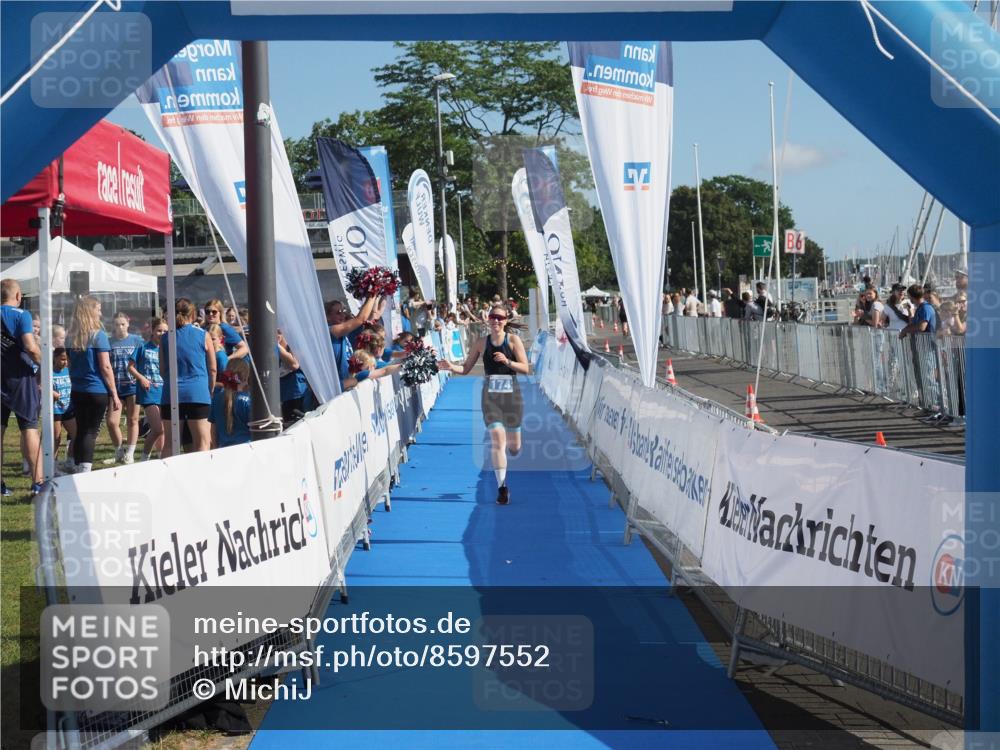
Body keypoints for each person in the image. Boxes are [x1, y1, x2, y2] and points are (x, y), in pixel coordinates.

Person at [437, 304, 529, 505]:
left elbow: (526, 369)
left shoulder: (513, 341)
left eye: (500, 317)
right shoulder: (481, 343)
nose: (496, 320)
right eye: (492, 317)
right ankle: (502, 487)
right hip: (490, 398)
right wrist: (450, 366)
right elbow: (466, 368)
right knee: (498, 440)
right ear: (487, 319)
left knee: (514, 447)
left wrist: (508, 362)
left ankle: (510, 457)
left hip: (512, 397)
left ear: (505, 320)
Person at [67, 296, 120, 473]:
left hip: (77, 389)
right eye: (98, 309)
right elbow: (105, 366)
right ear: (90, 311)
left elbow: (70, 362)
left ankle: (76, 464)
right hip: (96, 389)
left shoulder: (71, 336)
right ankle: (85, 469)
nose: (100, 313)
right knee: (91, 431)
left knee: (81, 429)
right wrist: (114, 392)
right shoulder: (99, 335)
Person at [160, 298, 216, 457]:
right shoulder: (203, 335)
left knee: (170, 444)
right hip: (197, 393)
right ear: (192, 314)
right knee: (202, 443)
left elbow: (162, 369)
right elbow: (212, 368)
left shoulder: (165, 337)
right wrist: (210, 389)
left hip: (171, 393)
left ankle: (167, 479)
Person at [1, 279, 42, 494]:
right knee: (29, 428)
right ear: (18, 296)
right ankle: (37, 483)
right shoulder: (22, 315)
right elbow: (30, 346)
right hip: (20, 379)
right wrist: (44, 363)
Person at [104, 312, 143, 464]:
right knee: (112, 422)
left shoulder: (137, 340)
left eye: (122, 324)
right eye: (116, 324)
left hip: (133, 386)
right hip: (116, 387)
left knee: (133, 419)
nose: (120, 327)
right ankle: (119, 451)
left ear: (128, 323)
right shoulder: (108, 342)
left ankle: (130, 453)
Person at [128, 318, 167, 461]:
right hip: (148, 392)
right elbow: (130, 367)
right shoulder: (142, 347)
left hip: (164, 391)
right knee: (158, 428)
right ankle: (144, 457)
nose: (162, 333)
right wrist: (141, 378)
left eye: (165, 331)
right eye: (159, 330)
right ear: (152, 330)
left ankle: (161, 457)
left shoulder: (168, 349)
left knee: (162, 429)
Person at [327, 296, 378, 388]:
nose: (343, 315)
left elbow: (366, 317)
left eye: (343, 312)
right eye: (338, 313)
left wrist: (371, 296)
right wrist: (374, 291)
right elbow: (360, 319)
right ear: (328, 317)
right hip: (336, 386)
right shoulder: (331, 330)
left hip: (346, 382)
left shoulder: (343, 330)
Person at [210, 358, 253, 449]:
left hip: (223, 451)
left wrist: (215, 448)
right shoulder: (248, 401)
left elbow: (213, 430)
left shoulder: (216, 399)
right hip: (246, 450)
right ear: (246, 377)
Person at [51, 347, 77, 472]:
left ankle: (70, 461)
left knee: (76, 434)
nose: (65, 362)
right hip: (55, 410)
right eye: (62, 359)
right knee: (56, 438)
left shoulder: (68, 370)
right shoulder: (49, 372)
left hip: (68, 408)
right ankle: (52, 465)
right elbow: (38, 386)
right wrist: (51, 392)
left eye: (66, 360)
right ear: (55, 358)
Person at [204, 323, 229, 390]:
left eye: (213, 339)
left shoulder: (220, 356)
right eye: (207, 339)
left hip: (217, 394)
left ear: (220, 338)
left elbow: (226, 381)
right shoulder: (206, 354)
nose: (210, 342)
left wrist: (209, 383)